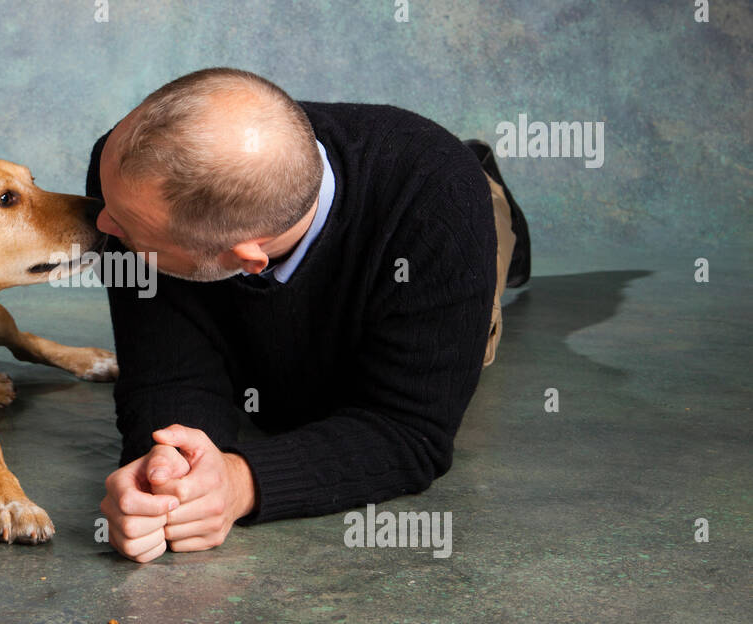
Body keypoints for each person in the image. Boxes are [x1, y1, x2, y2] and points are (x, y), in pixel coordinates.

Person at [85, 68, 530, 563]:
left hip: (444, 204)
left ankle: (492, 191)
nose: (97, 224)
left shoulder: (438, 205)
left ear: (245, 259)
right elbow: (170, 370)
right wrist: (166, 468)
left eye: (127, 232)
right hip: (244, 234)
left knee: (482, 251)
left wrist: (240, 483)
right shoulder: (126, 182)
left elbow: (409, 430)